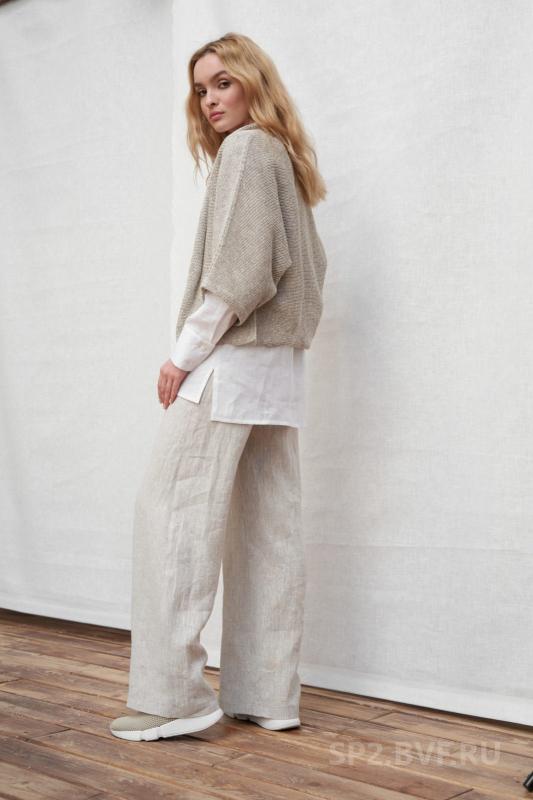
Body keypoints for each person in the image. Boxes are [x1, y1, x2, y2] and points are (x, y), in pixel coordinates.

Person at [110, 31, 328, 742]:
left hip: (232, 363)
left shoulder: (246, 150)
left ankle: (174, 696)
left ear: (254, 82)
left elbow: (241, 271)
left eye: (223, 83)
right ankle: (269, 694)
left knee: (169, 512)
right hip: (279, 372)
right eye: (201, 89)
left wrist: (182, 355)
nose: (208, 100)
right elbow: (300, 268)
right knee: (267, 528)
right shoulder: (282, 155)